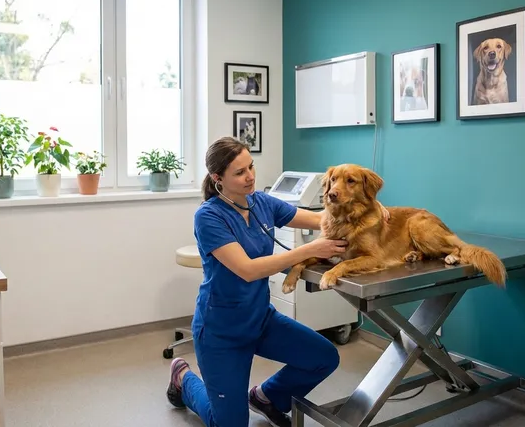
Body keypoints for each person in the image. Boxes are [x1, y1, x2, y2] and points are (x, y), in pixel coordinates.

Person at [165, 137, 390, 427]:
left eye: (251, 166)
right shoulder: (208, 217)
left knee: (323, 357)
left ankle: (266, 397)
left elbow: (322, 217)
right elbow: (247, 270)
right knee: (230, 423)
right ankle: (183, 379)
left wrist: (374, 205)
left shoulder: (262, 203)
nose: (250, 177)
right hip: (222, 331)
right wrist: (310, 250)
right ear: (218, 178)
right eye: (239, 172)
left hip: (261, 320)